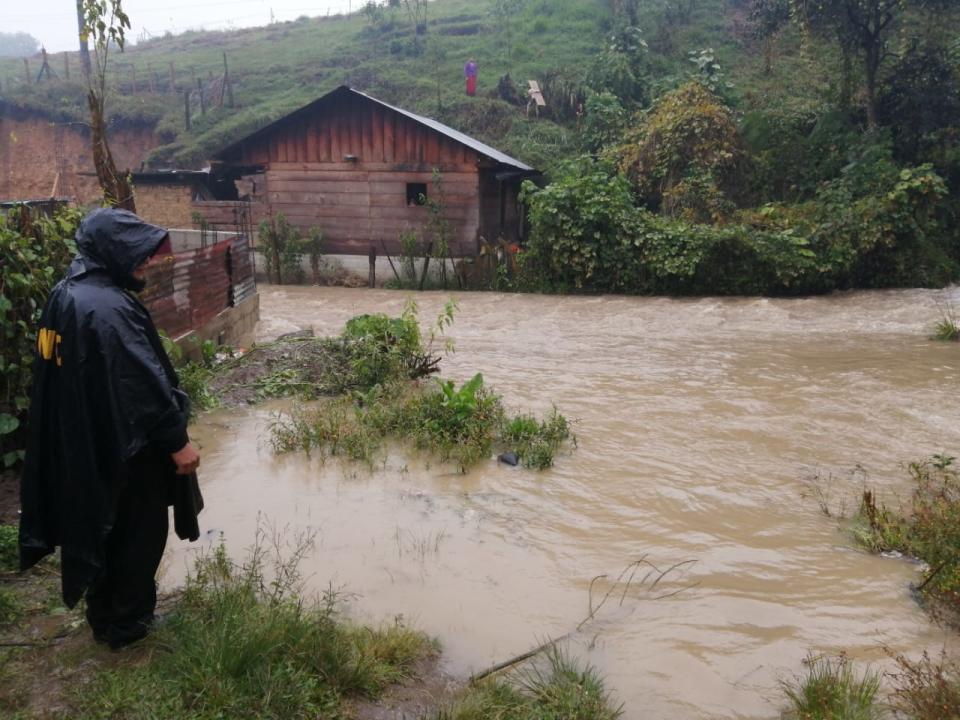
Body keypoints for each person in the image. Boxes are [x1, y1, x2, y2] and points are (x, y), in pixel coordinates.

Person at [19, 207, 203, 650]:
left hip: (90, 445)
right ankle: (127, 626)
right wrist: (178, 442)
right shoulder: (108, 309)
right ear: (112, 251)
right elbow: (141, 386)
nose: (147, 261)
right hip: (129, 450)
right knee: (138, 536)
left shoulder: (67, 293)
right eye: (137, 252)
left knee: (102, 529)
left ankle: (105, 615)